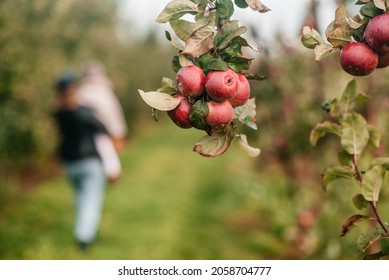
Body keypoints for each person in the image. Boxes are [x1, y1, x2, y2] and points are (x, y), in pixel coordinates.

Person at [53, 72, 109, 251]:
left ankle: (83, 228)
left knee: (80, 198)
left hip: (70, 164)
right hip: (90, 162)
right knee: (90, 200)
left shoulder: (59, 113)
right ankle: (84, 236)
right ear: (74, 89)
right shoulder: (83, 112)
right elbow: (102, 129)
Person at [77, 60, 128, 153]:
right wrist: (119, 133)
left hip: (95, 139)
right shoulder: (98, 92)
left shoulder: (82, 93)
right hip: (100, 138)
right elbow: (112, 113)